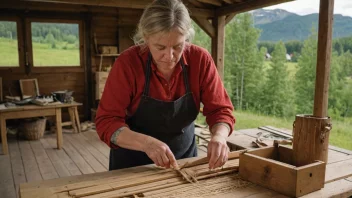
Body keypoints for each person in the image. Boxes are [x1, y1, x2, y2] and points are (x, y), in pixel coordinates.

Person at [95, 0, 235, 171]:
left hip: (184, 162)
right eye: (160, 47)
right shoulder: (128, 63)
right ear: (146, 38)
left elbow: (220, 110)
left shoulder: (200, 60)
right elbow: (106, 121)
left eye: (178, 46)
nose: (169, 56)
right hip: (132, 165)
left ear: (187, 38)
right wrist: (146, 143)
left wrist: (219, 137)